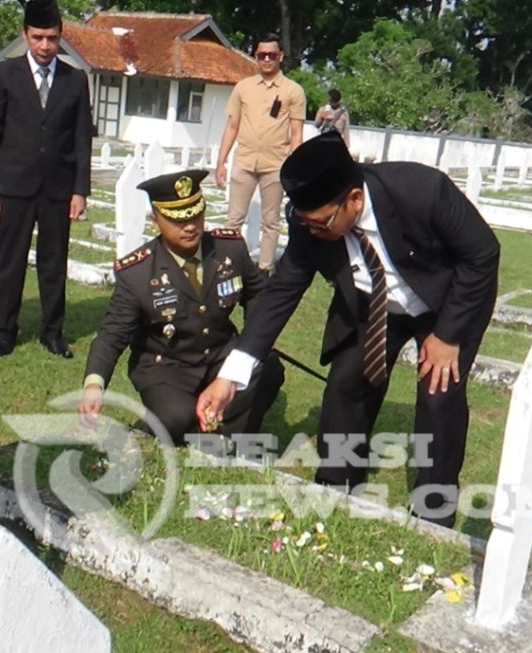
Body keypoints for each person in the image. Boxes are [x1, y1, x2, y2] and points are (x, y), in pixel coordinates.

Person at [196, 132, 500, 528]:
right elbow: (282, 291)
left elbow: (482, 254)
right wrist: (231, 376)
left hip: (446, 305)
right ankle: (337, 486)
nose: (313, 231)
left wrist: (448, 335)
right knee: (346, 383)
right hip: (371, 303)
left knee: (438, 396)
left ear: (354, 199)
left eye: (322, 223)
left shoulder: (423, 190)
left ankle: (434, 513)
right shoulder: (308, 221)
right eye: (306, 222)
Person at [80, 170, 283, 442]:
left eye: (195, 215)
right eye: (178, 219)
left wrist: (252, 342)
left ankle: (226, 434)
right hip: (167, 367)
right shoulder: (138, 272)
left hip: (220, 355)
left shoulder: (229, 249)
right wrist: (94, 384)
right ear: (155, 221)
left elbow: (257, 294)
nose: (189, 226)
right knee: (175, 419)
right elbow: (112, 333)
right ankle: (176, 421)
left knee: (268, 367)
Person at [0, 0, 93, 359]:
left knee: (53, 262)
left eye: (52, 38)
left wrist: (80, 190)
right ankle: (5, 330)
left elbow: (81, 138)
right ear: (25, 35)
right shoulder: (4, 74)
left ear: (61, 36)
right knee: (11, 261)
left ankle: (52, 332)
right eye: (38, 38)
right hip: (14, 185)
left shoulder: (75, 79)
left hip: (58, 188)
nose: (45, 46)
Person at [215, 33, 305, 274]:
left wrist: (295, 167)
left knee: (271, 222)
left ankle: (264, 270)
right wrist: (221, 162)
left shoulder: (293, 91)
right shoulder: (243, 88)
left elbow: (296, 133)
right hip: (244, 160)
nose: (266, 59)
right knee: (234, 219)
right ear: (256, 56)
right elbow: (232, 126)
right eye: (261, 55)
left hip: (275, 164)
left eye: (271, 55)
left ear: (280, 56)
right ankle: (227, 267)